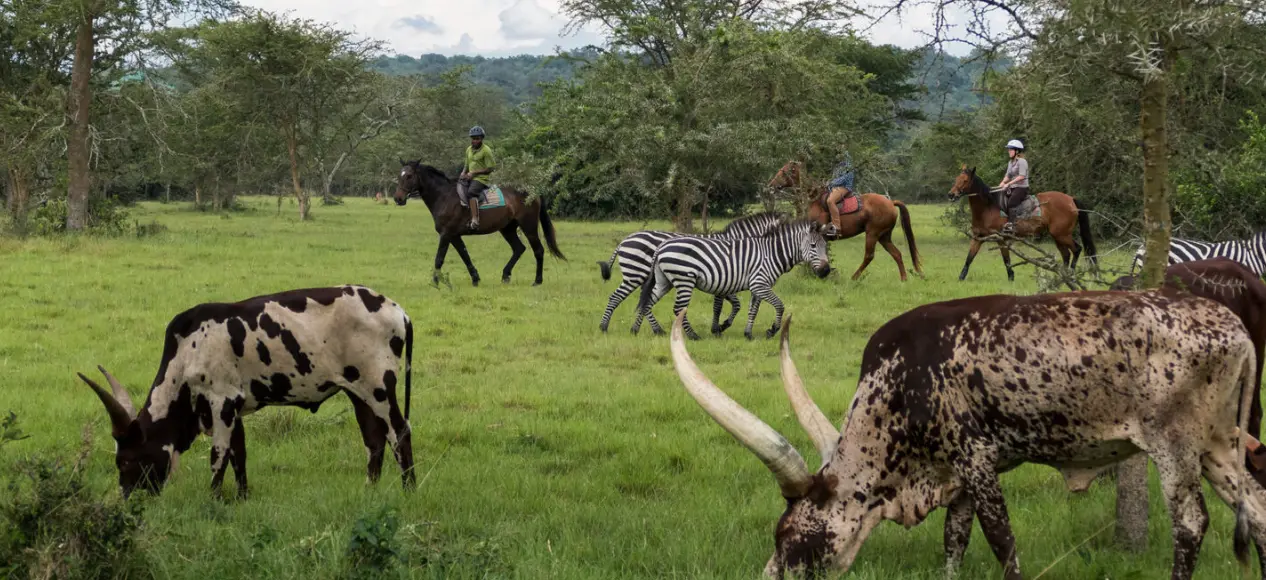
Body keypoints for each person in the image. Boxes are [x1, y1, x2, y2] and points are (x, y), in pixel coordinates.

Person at [458, 126, 496, 230]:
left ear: (482, 139)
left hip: (481, 179)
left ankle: (475, 219)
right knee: (458, 189)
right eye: (473, 138)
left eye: (477, 138)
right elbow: (466, 164)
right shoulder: (468, 149)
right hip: (469, 177)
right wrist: (463, 173)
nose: (475, 140)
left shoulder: (486, 150)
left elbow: (490, 168)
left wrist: (474, 172)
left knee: (471, 192)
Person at [996, 139, 1029, 234]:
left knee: (1011, 203)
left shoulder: (1022, 161)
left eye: (1011, 150)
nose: (1009, 151)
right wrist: (1001, 184)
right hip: (1012, 187)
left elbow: (1021, 176)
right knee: (1000, 200)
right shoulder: (1010, 163)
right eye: (1008, 150)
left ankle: (1011, 225)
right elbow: (1008, 176)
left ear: (1017, 151)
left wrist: (1009, 184)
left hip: (1022, 188)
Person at [825, 151, 856, 235]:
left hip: (844, 187)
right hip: (834, 186)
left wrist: (831, 182)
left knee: (830, 201)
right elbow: (834, 177)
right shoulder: (838, 165)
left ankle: (837, 227)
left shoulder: (848, 164)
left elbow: (844, 178)